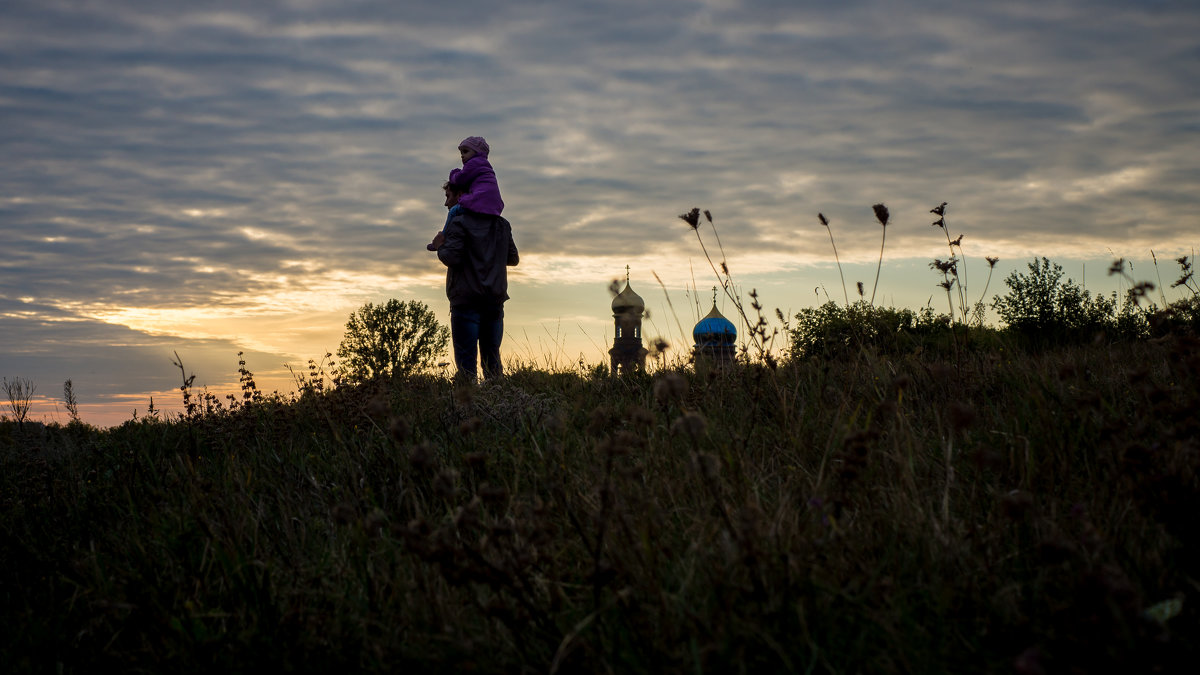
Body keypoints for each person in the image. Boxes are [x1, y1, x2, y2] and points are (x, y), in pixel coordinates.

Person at [436, 137, 518, 382]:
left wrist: (440, 246)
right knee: (493, 361)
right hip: (494, 299)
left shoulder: (459, 222)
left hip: (466, 299)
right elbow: (512, 259)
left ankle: (468, 412)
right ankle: (501, 408)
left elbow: (452, 257)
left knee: (466, 365)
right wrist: (491, 257)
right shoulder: (502, 225)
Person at [447, 136, 504, 217]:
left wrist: (453, 174)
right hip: (493, 205)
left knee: (453, 211)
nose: (462, 156)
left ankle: (447, 230)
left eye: (465, 151)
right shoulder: (484, 165)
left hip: (480, 200)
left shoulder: (474, 163)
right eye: (461, 153)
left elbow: (460, 179)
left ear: (477, 152)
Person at [427, 181, 464, 251]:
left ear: (459, 195)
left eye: (448, 196)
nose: (446, 203)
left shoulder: (461, 223)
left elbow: (454, 257)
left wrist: (439, 246)